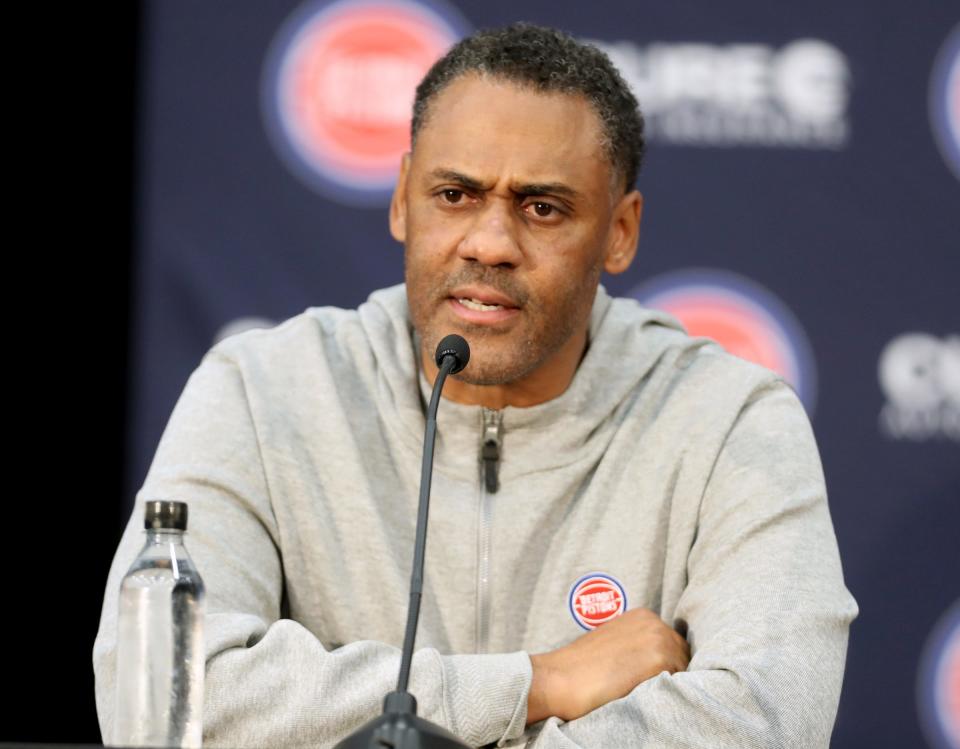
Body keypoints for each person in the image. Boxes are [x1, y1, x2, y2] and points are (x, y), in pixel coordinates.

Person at [94, 23, 858, 748]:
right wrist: (536, 683)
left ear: (620, 231)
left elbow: (767, 718)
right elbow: (157, 689)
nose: (490, 243)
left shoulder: (730, 420)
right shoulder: (260, 392)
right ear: (401, 198)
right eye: (454, 194)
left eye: (542, 207)